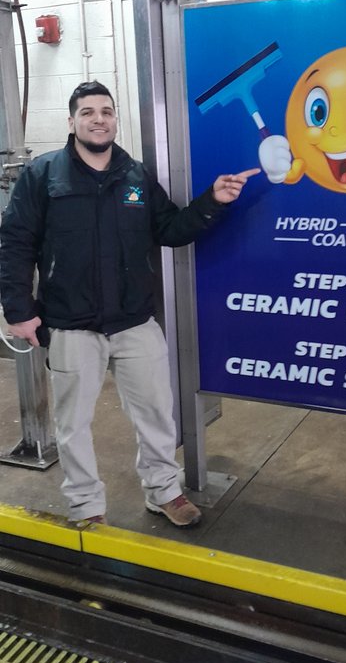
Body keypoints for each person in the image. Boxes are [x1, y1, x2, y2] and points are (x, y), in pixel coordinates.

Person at [0, 81, 259, 528]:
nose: (98, 119)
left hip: (134, 321)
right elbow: (15, 242)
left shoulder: (135, 175)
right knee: (73, 423)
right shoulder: (44, 175)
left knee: (157, 414)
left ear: (116, 120)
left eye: (106, 111)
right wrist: (18, 310)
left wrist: (212, 202)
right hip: (71, 323)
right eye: (88, 112)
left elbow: (170, 229)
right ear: (72, 122)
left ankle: (164, 491)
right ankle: (86, 505)